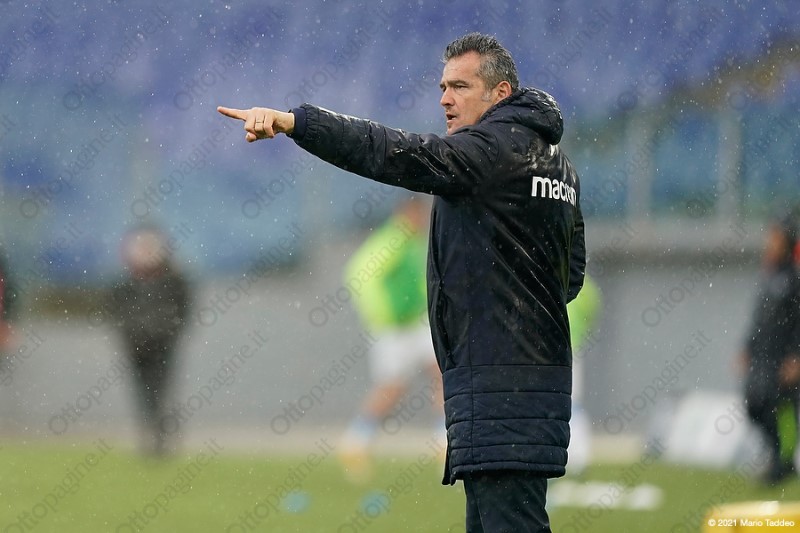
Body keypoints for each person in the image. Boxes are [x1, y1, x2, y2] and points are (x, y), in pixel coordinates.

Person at [219, 32, 584, 532]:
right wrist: (512, 306)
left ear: (500, 93)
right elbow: (570, 275)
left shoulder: (490, 151)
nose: (445, 99)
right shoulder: (559, 166)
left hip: (498, 383)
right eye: (443, 87)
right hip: (526, 381)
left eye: (460, 86)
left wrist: (298, 123)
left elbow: (397, 153)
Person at [337, 195, 444, 483]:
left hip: (416, 323)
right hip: (394, 329)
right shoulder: (392, 240)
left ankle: (445, 442)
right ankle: (355, 441)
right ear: (405, 214)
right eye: (417, 215)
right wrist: (384, 313)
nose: (421, 221)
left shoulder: (412, 242)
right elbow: (359, 274)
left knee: (442, 373)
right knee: (391, 388)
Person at [109, 225, 191, 456]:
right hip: (136, 347)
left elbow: (182, 310)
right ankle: (150, 436)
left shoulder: (173, 281)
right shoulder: (125, 284)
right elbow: (116, 313)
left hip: (163, 346)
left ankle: (162, 438)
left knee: (161, 391)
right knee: (143, 394)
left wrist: (163, 331)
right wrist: (132, 334)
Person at [739, 212, 800, 485]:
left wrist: (796, 356)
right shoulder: (769, 274)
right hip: (763, 355)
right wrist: (747, 346)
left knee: (784, 408)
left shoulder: (794, 277)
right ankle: (775, 454)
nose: (770, 241)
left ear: (787, 240)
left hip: (784, 356)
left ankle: (783, 463)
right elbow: (759, 318)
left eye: (775, 236)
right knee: (755, 404)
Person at [566, 274, 602, 477]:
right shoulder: (588, 287)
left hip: (556, 347)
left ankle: (578, 455)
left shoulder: (555, 278)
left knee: (570, 403)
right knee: (572, 401)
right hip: (574, 346)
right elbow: (592, 318)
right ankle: (579, 454)